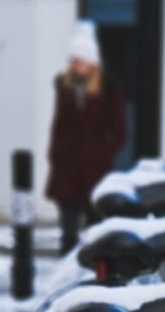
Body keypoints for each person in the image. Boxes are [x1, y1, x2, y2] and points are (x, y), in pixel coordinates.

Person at [46, 20, 128, 253]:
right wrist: (56, 154)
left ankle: (90, 269)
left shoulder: (109, 89)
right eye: (72, 60)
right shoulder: (64, 87)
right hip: (67, 166)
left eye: (79, 61)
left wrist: (104, 153)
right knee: (68, 231)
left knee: (95, 229)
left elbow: (120, 130)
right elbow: (59, 125)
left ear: (91, 62)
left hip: (95, 168)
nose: (75, 65)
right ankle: (66, 266)